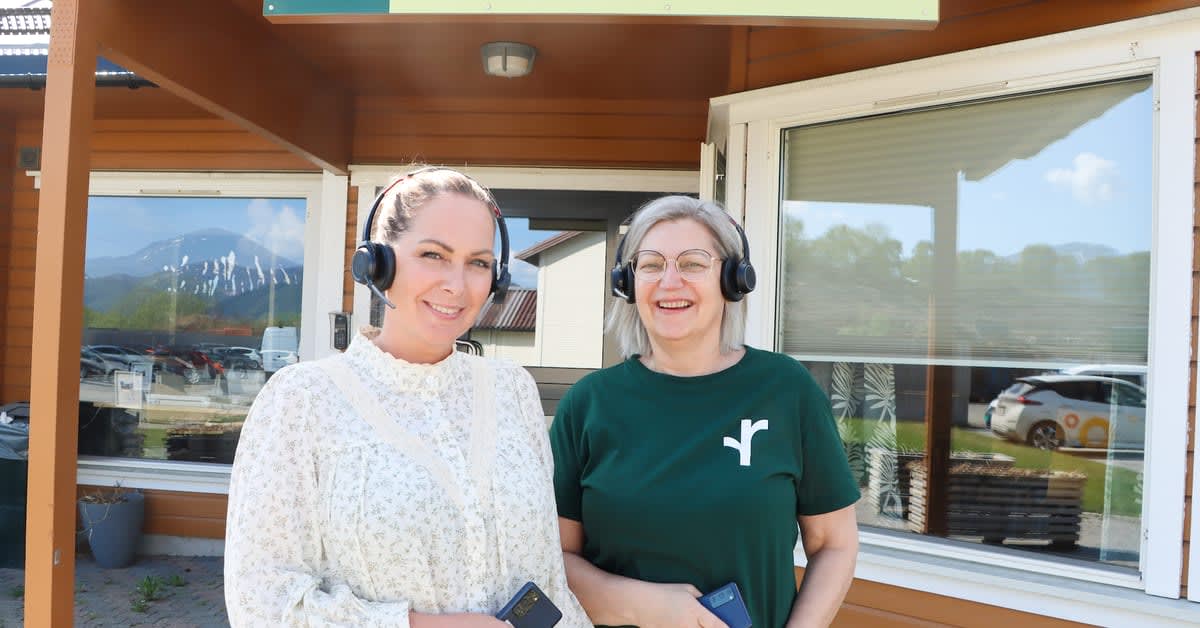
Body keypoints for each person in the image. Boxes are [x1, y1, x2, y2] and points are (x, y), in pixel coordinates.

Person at [225, 166, 590, 628]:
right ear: (377, 263)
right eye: (433, 254)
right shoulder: (303, 400)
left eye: (479, 263)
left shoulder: (513, 390)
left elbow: (548, 579)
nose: (457, 285)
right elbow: (261, 603)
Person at [550, 195, 860, 628]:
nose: (670, 281)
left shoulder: (786, 391)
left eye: (693, 263)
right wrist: (643, 605)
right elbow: (553, 558)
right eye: (651, 264)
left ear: (732, 280)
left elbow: (834, 544)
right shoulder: (587, 405)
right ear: (628, 283)